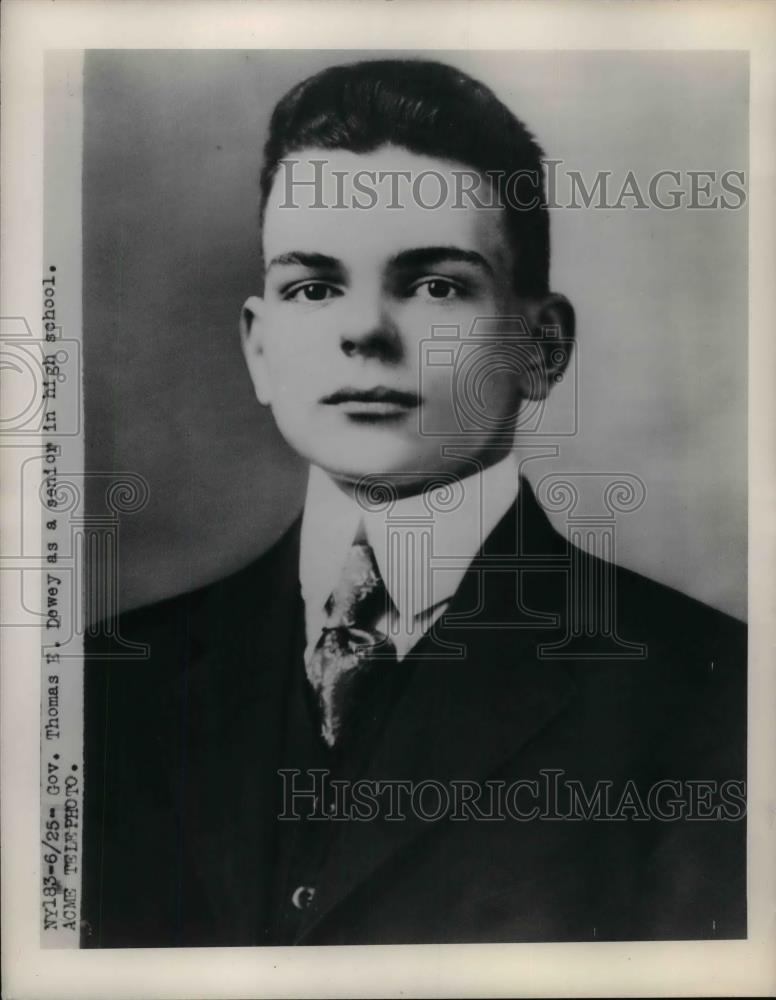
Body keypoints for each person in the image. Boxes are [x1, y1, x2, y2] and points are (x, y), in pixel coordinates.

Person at [81, 58, 746, 948]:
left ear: (541, 348)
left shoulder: (709, 691)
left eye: (436, 285)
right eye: (313, 288)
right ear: (261, 348)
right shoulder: (111, 682)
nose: (363, 331)